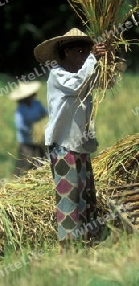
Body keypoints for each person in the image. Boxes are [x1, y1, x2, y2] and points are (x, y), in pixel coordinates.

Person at [33, 27, 110, 251]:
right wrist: (94, 58)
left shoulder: (85, 73)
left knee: (86, 195)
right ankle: (68, 248)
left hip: (81, 145)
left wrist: (106, 60)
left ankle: (89, 243)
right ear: (66, 52)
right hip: (63, 146)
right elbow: (77, 85)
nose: (85, 56)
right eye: (80, 51)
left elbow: (104, 82)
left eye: (88, 51)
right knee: (70, 195)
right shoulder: (58, 75)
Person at [9, 81, 48, 176]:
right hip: (26, 142)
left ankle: (40, 176)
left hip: (38, 141)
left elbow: (46, 113)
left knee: (40, 160)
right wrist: (32, 131)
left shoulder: (36, 104)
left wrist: (43, 127)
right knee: (26, 162)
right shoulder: (20, 110)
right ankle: (20, 178)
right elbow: (21, 126)